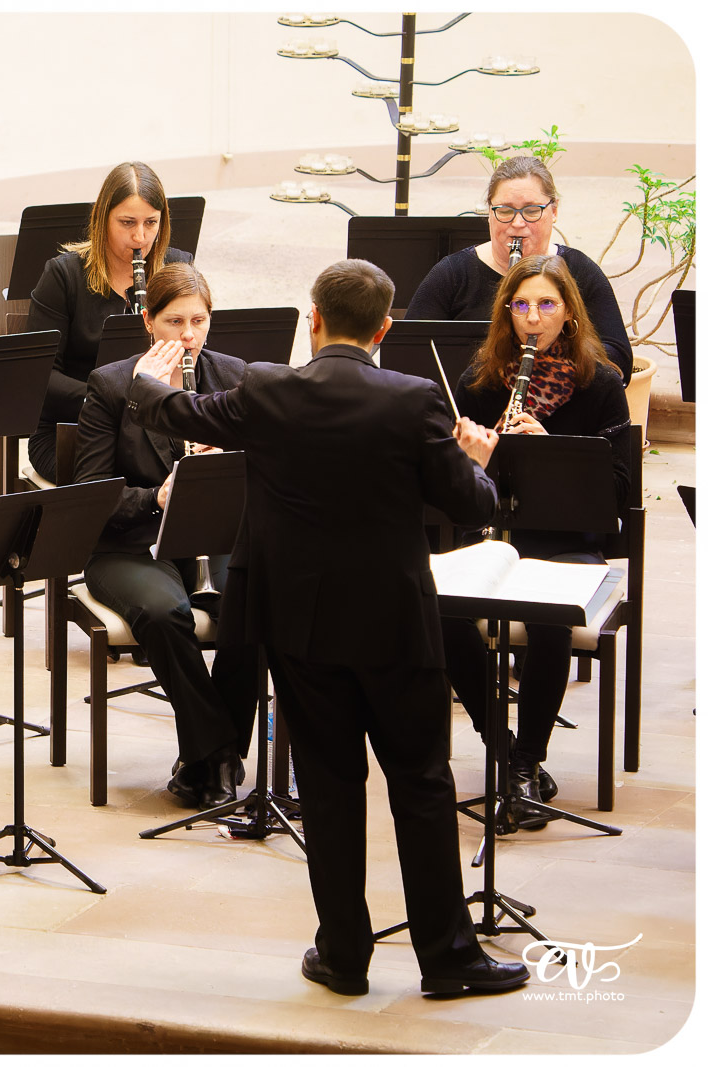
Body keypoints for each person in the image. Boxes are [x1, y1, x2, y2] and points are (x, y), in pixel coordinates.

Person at [125, 259, 529, 996]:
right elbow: (469, 506)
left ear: (313, 319)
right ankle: (448, 957)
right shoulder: (413, 402)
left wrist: (150, 382)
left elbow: (180, 412)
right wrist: (483, 464)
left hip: (303, 629)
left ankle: (343, 955)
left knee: (332, 788)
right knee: (422, 782)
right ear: (384, 329)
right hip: (395, 627)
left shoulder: (270, 390)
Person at [442, 254, 631, 830]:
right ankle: (500, 744)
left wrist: (547, 449)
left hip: (568, 540)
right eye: (520, 305)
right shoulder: (479, 382)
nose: (532, 317)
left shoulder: (600, 386)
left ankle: (526, 762)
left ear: (569, 313)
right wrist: (471, 461)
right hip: (495, 537)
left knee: (548, 615)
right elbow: (443, 485)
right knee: (442, 610)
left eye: (546, 304)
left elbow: (619, 491)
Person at [74, 263, 257, 808]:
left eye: (199, 320)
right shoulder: (112, 386)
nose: (189, 335)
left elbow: (268, 467)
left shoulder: (234, 376)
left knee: (254, 598)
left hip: (218, 539)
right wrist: (158, 495)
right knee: (163, 613)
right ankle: (220, 752)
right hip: (131, 545)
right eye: (175, 321)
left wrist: (223, 469)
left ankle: (202, 757)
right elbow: (91, 493)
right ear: (148, 323)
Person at [26, 161, 195, 482]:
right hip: (74, 430)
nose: (140, 236)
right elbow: (39, 377)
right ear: (102, 219)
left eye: (151, 223)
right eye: (127, 222)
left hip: (158, 426)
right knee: (134, 478)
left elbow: (196, 351)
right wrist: (115, 398)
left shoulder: (177, 266)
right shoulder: (64, 275)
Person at [406, 155, 633, 382]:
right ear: (489, 212)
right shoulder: (452, 274)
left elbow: (618, 356)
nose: (517, 224)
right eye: (504, 211)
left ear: (553, 211)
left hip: (557, 409)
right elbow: (408, 351)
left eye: (532, 211)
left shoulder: (580, 271)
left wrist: (554, 364)